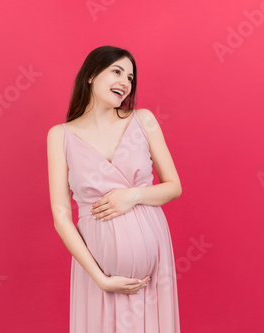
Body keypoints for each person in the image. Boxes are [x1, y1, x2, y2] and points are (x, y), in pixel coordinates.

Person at [47, 45, 182, 332]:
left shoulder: (143, 120)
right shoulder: (60, 136)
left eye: (130, 78)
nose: (125, 82)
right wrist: (100, 278)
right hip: (97, 274)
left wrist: (132, 196)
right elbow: (60, 215)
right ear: (91, 75)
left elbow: (173, 187)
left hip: (153, 273)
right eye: (117, 72)